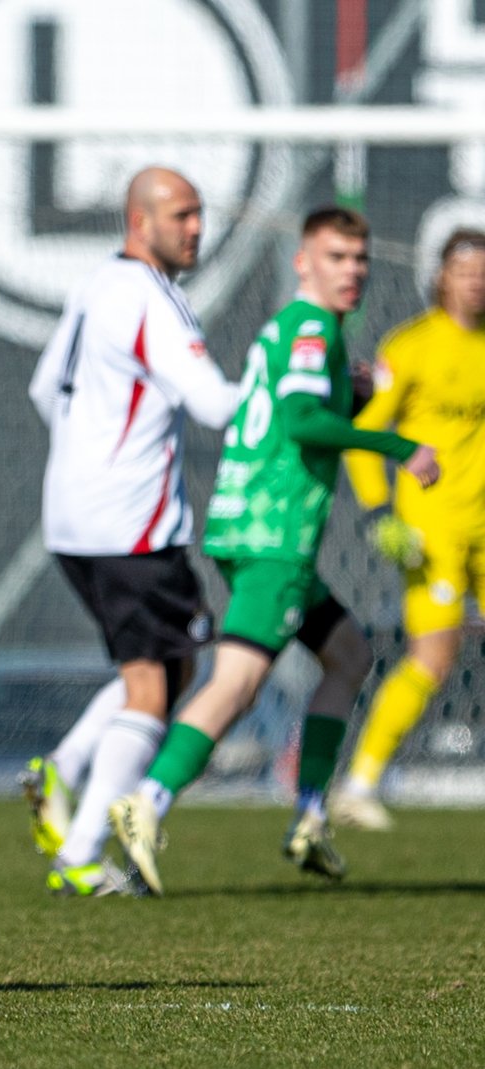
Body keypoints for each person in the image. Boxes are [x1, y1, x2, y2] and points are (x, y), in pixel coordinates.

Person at [110, 207, 441, 895]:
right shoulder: (313, 327)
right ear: (303, 260)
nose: (352, 270)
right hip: (275, 534)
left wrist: (348, 397)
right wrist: (399, 445)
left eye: (360, 258)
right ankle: (148, 800)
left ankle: (311, 813)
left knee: (348, 655)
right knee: (238, 680)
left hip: (252, 525)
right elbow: (299, 420)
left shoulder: (292, 330)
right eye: (337, 256)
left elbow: (296, 409)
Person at [23, 168, 239, 897]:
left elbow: (43, 387)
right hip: (132, 523)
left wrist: (90, 452)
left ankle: (66, 766)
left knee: (170, 664)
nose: (196, 229)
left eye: (199, 213)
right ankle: (82, 852)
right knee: (154, 681)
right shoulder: (151, 297)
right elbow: (214, 404)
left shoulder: (96, 284)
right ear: (138, 220)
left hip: (72, 516)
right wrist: (299, 393)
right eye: (182, 214)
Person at [331, 228, 485, 830]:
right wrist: (378, 514)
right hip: (434, 532)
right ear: (440, 277)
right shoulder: (412, 347)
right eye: (465, 268)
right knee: (434, 656)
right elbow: (363, 439)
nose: (476, 279)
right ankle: (361, 781)